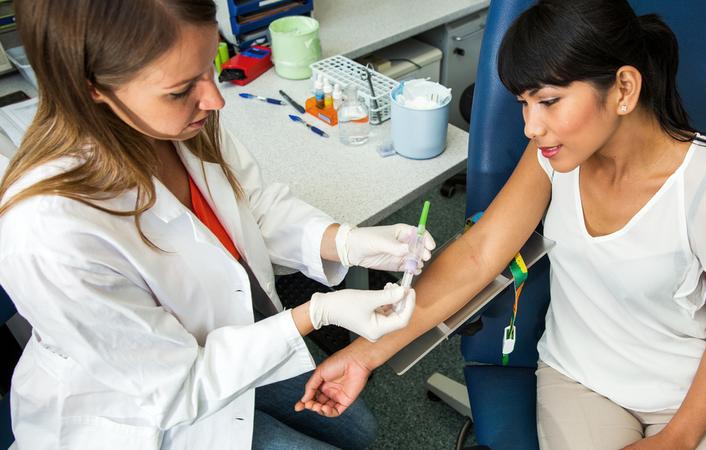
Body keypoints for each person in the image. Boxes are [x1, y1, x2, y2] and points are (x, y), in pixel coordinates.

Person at [296, 1, 706, 449]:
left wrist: (681, 436)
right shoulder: (554, 158)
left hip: (685, 393)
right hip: (581, 380)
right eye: (524, 103)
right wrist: (363, 353)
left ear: (624, 89)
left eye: (548, 101)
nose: (530, 126)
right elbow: (479, 255)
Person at [0, 1, 435, 449]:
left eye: (210, 67)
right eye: (181, 88)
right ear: (92, 87)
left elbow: (252, 205)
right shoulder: (49, 233)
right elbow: (179, 387)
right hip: (148, 411)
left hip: (230, 339)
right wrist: (315, 313)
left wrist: (345, 242)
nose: (215, 99)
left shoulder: (186, 121)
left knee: (359, 430)